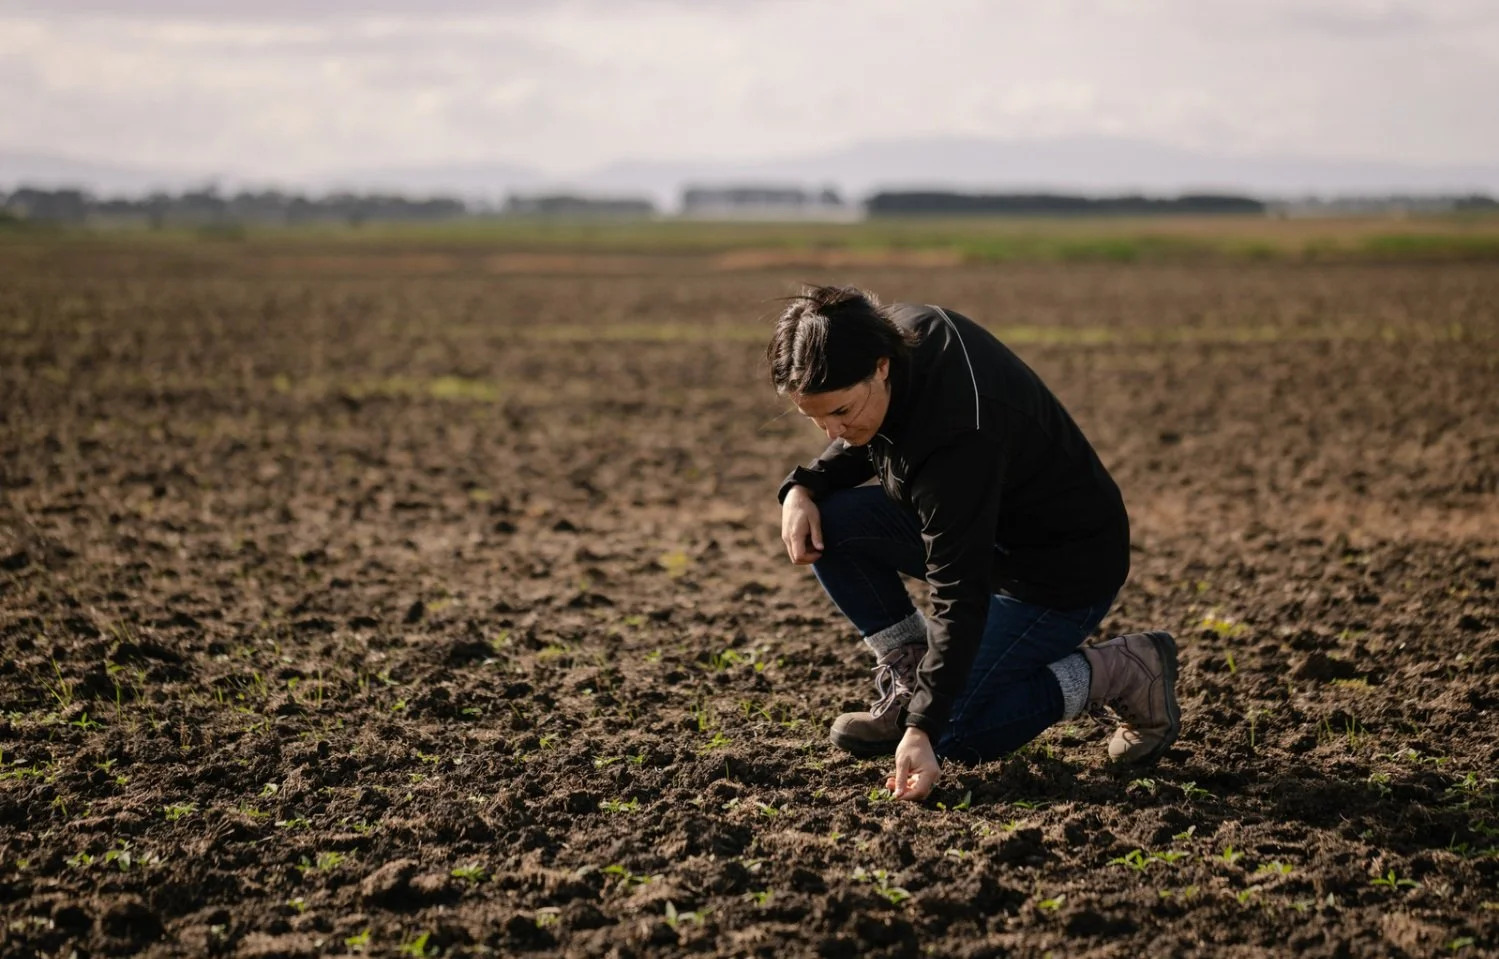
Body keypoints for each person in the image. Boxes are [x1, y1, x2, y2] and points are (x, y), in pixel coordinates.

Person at [768, 285, 1180, 802]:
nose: (834, 431)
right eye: (817, 420)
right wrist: (804, 485)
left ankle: (1120, 670)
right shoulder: (889, 338)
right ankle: (909, 681)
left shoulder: (958, 442)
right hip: (990, 533)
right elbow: (865, 437)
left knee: (954, 732)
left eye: (842, 412)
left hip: (1058, 573)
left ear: (880, 368)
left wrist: (924, 728)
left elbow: (958, 594)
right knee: (827, 520)